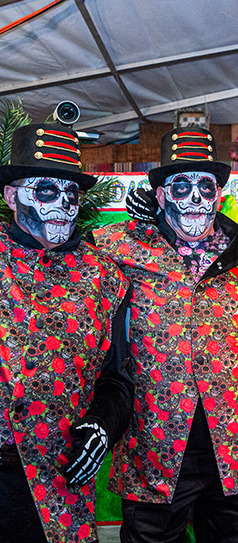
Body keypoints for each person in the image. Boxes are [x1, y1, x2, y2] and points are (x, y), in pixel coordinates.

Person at [93, 127, 238, 543]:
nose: (195, 198)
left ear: (219, 195)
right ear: (160, 196)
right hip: (155, 446)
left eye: (205, 187)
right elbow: (58, 246)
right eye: (180, 187)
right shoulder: (119, 247)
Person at [0, 123, 133, 543]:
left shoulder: (103, 277)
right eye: (45, 191)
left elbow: (117, 378)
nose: (62, 205)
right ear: (12, 196)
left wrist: (102, 426)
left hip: (59, 484)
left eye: (71, 195)